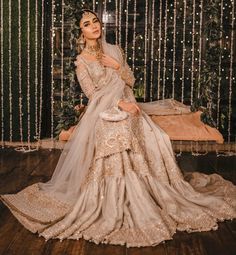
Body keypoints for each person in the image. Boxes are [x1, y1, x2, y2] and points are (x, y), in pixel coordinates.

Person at [1, 10, 235, 248]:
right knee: (115, 129)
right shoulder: (81, 61)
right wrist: (118, 103)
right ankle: (112, 192)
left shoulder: (115, 50)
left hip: (129, 105)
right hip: (103, 111)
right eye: (87, 24)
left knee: (147, 131)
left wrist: (117, 67)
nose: (94, 26)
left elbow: (131, 81)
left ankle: (142, 186)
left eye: (95, 21)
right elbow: (92, 95)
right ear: (80, 32)